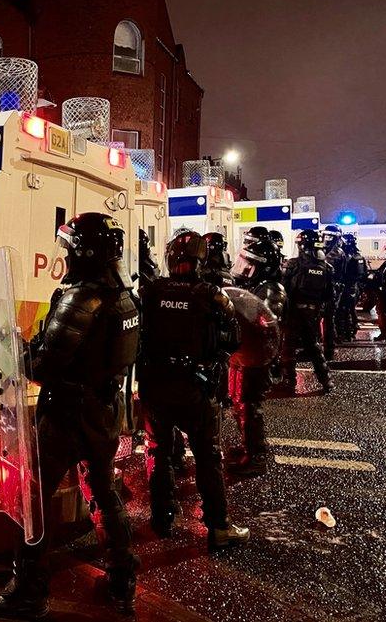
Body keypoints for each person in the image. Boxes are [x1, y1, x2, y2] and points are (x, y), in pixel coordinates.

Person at [0, 213, 140, 619]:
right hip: (104, 412)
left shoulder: (80, 299)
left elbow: (44, 364)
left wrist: (13, 350)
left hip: (68, 415)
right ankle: (123, 580)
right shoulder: (124, 296)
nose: (64, 256)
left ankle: (28, 591)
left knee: (31, 498)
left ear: (83, 253)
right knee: (105, 492)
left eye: (68, 248)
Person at [139, 230, 249, 550]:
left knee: (158, 455)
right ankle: (218, 526)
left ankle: (161, 521)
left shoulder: (151, 291)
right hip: (195, 390)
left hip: (157, 388)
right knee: (206, 457)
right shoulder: (211, 294)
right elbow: (234, 338)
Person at [227, 231, 287, 476]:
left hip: (257, 359)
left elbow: (266, 325)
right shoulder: (258, 285)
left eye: (250, 264)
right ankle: (248, 448)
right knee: (241, 404)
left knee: (250, 406)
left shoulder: (272, 290)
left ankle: (257, 456)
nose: (245, 268)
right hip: (247, 356)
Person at [280, 230, 335, 393]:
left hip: (294, 312)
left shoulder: (293, 264)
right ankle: (326, 381)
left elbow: (284, 289)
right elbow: (329, 294)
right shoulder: (327, 267)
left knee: (288, 347)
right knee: (314, 347)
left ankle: (289, 381)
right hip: (312, 313)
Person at [334, 233, 368, 343]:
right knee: (351, 310)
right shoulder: (359, 256)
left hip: (347, 286)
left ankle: (346, 334)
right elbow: (364, 274)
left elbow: (343, 273)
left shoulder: (347, 256)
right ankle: (352, 329)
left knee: (343, 311)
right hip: (355, 287)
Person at [321, 225, 344, 359]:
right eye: (326, 235)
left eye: (331, 236)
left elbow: (341, 273)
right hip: (321, 288)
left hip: (332, 288)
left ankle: (329, 350)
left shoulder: (338, 253)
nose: (327, 238)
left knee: (328, 320)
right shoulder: (321, 250)